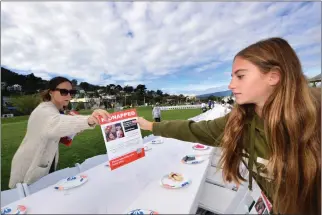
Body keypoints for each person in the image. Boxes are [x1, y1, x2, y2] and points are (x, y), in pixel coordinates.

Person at [134, 38, 321, 214]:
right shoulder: (238, 121)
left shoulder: (315, 116)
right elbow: (193, 129)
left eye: (240, 76)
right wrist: (151, 126)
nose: (231, 85)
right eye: (232, 77)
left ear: (273, 76)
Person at [9, 77, 110, 188]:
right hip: (29, 166)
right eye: (64, 92)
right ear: (51, 92)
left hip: (43, 163)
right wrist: (88, 120)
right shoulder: (44, 110)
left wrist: (72, 131)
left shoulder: (55, 110)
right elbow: (56, 123)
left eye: (72, 92)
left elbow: (54, 130)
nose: (69, 95)